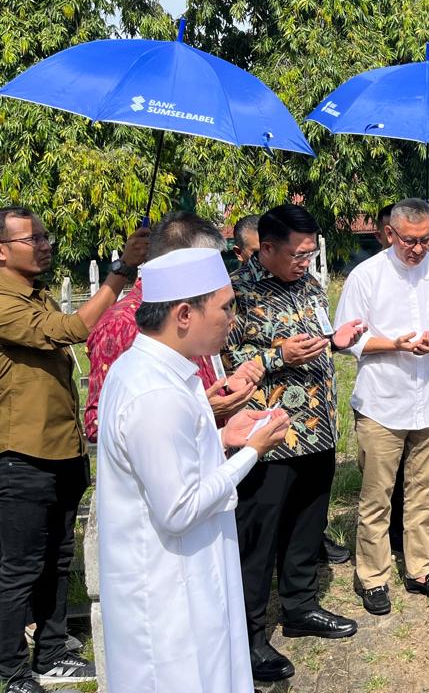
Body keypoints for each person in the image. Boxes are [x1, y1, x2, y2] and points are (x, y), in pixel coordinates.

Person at [96, 246, 291, 693]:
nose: (232, 320)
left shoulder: (156, 371)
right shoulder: (154, 394)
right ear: (184, 314)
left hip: (190, 572)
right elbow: (179, 509)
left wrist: (223, 438)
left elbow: (172, 459)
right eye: (225, 308)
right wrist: (252, 452)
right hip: (167, 592)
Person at [0, 207, 147, 691]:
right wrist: (121, 271)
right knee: (19, 566)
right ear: (2, 249)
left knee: (57, 558)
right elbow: (72, 330)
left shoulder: (36, 294)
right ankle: (12, 668)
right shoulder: (3, 300)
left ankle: (53, 650)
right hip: (20, 454)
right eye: (32, 239)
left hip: (59, 450)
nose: (44, 245)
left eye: (45, 236)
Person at [226, 203, 366, 683]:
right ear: (266, 248)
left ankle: (301, 607)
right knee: (257, 540)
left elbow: (315, 340)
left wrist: (337, 338)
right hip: (269, 437)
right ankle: (247, 637)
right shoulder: (234, 294)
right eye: (297, 253)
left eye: (311, 252)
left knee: (308, 526)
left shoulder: (308, 284)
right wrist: (274, 355)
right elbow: (224, 359)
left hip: (318, 429)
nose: (306, 261)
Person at [334, 198, 429, 616]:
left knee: (422, 492)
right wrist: (396, 343)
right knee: (377, 496)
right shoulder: (366, 275)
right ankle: (373, 577)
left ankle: (420, 569)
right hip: (383, 403)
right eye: (410, 240)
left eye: (426, 239)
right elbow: (346, 339)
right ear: (390, 233)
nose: (418, 248)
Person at [85, 210, 261, 443]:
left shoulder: (196, 310)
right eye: (206, 265)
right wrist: (199, 411)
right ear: (177, 262)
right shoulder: (122, 323)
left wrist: (226, 385)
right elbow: (100, 424)